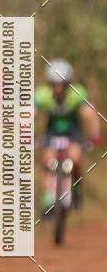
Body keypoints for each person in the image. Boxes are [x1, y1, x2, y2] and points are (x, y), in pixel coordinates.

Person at [35, 59, 100, 214]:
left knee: (76, 158)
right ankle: (46, 199)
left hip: (73, 132)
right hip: (51, 131)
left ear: (68, 83)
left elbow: (91, 113)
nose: (58, 88)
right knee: (46, 160)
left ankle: (76, 189)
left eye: (61, 84)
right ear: (49, 83)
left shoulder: (77, 93)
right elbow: (29, 114)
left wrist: (94, 136)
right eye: (54, 83)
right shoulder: (42, 94)